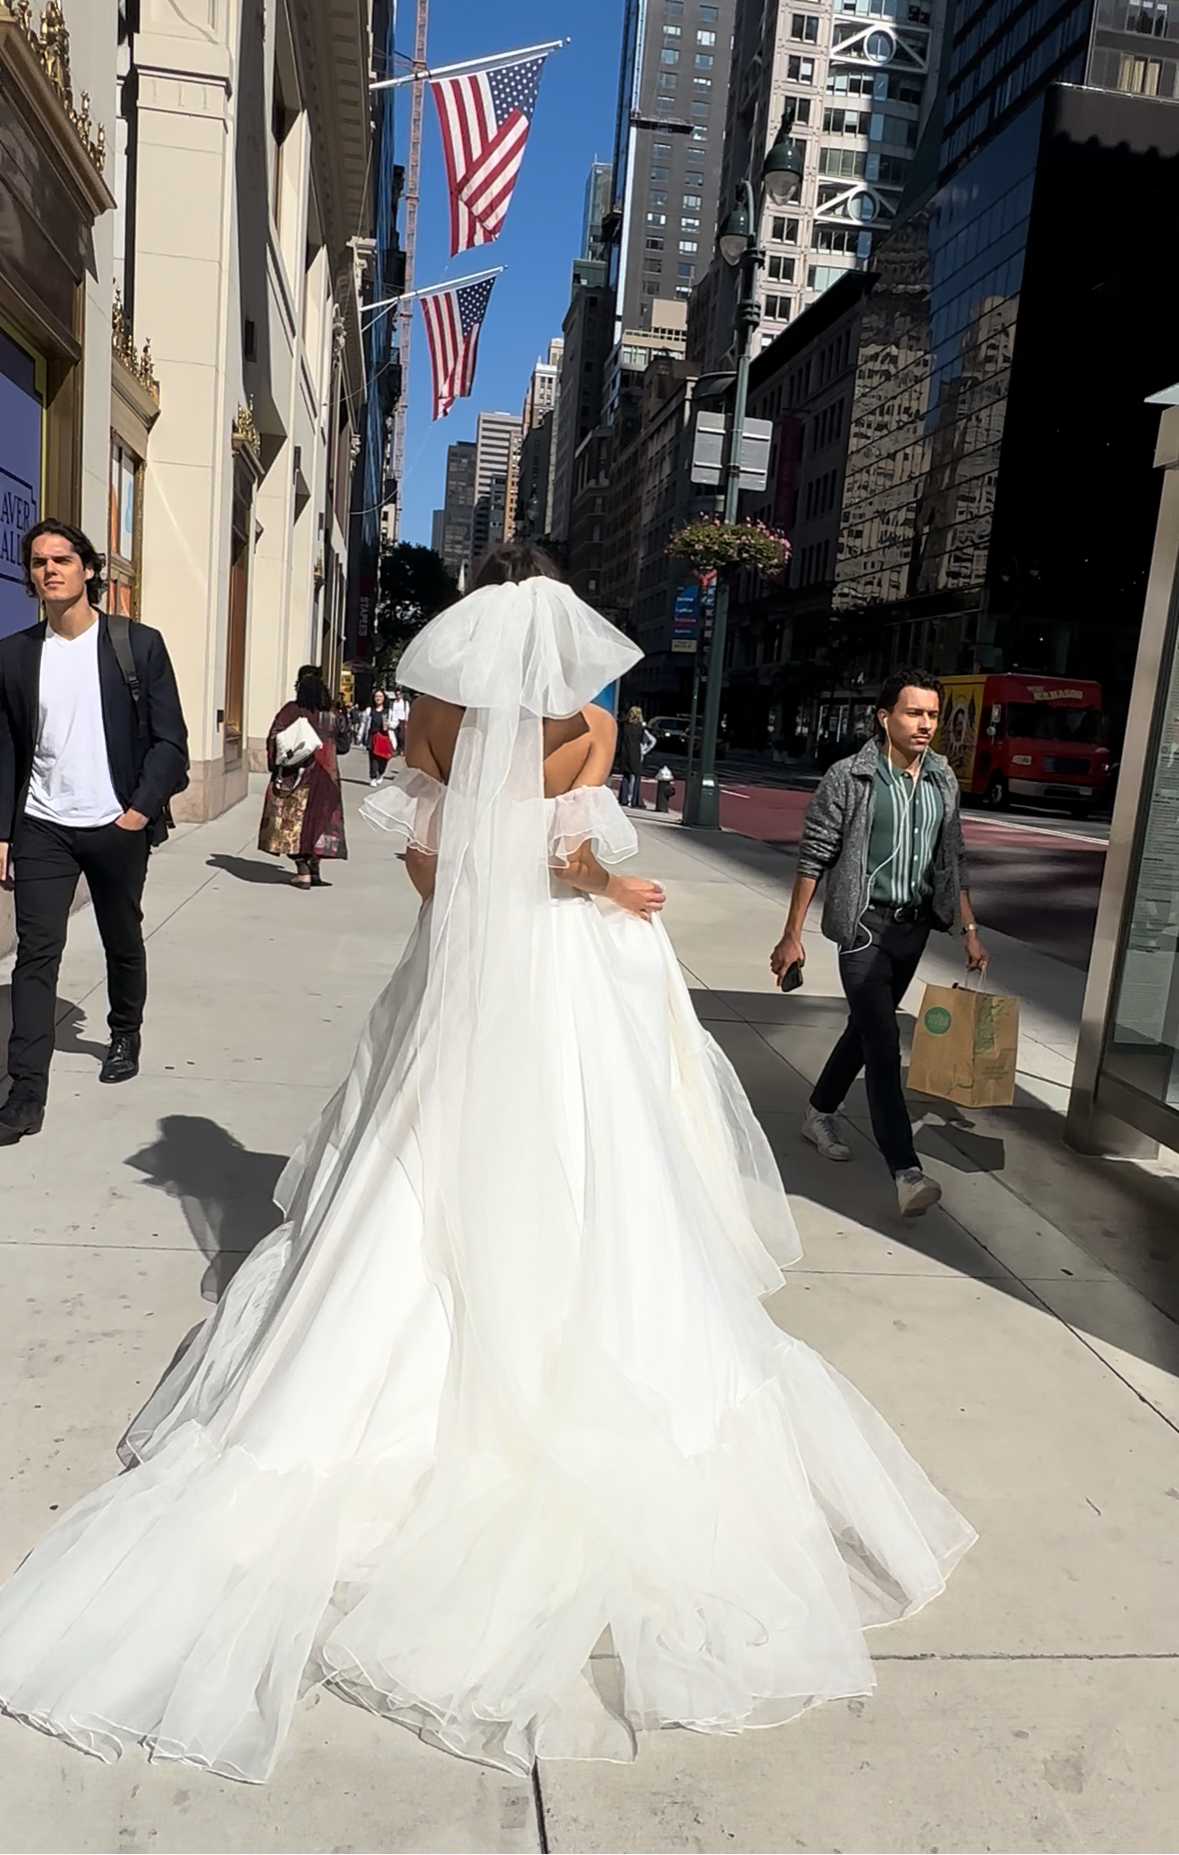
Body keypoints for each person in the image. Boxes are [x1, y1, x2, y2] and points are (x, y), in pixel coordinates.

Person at [0, 550, 974, 1781]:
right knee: (589, 1164)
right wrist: (612, 886)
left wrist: (477, 911)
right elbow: (574, 865)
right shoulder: (591, 732)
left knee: (412, 1165)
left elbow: (427, 872)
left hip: (460, 979)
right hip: (562, 973)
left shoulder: (437, 727)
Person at [770, 668, 988, 1218]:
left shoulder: (941, 779)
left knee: (866, 1029)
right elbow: (814, 856)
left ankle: (819, 1110)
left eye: (932, 714)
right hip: (864, 927)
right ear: (884, 717)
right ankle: (905, 1170)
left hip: (913, 929)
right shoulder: (851, 777)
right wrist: (792, 934)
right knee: (884, 1042)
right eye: (914, 713)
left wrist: (968, 929)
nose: (925, 724)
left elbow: (953, 857)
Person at [0, 520, 188, 1142]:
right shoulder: (14, 654)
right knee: (36, 954)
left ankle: (124, 1030)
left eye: (61, 559)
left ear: (87, 569)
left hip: (115, 822)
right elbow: (7, 748)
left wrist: (138, 810)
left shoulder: (137, 644)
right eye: (38, 562)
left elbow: (171, 741)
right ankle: (25, 1092)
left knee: (121, 937)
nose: (49, 570)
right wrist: (3, 831)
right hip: (42, 825)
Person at [258, 666, 347, 889]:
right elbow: (344, 745)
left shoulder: (291, 711)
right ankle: (315, 870)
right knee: (319, 822)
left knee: (295, 823)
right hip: (327, 777)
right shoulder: (333, 714)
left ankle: (303, 872)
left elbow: (274, 739)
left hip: (297, 777)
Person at [617, 705, 655, 807]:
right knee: (634, 776)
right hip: (635, 753)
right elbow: (647, 740)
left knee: (625, 776)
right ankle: (632, 798)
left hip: (624, 752)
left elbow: (619, 739)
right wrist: (645, 751)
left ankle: (623, 798)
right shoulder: (640, 728)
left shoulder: (623, 725)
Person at [364, 688, 394, 785]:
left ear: (384, 698)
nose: (378, 698)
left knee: (384, 759)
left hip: (384, 737)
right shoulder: (369, 710)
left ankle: (380, 773)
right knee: (373, 758)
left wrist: (389, 725)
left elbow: (395, 722)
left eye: (380, 696)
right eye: (376, 696)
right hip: (373, 736)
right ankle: (373, 777)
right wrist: (360, 736)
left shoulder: (388, 711)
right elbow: (364, 724)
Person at [388, 686, 410, 757]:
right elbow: (390, 712)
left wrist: (407, 721)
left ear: (401, 694)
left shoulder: (405, 703)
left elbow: (407, 712)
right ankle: (396, 750)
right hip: (394, 721)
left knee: (402, 737)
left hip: (402, 720)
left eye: (399, 694)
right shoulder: (393, 703)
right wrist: (389, 721)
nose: (398, 696)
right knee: (394, 736)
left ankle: (402, 750)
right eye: (396, 694)